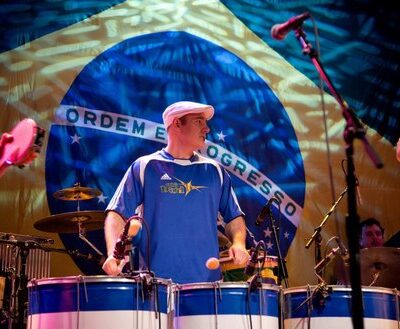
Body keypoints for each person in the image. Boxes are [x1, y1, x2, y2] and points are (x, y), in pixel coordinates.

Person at [102, 101, 249, 283]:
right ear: (177, 123)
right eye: (199, 122)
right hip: (155, 288)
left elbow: (234, 217)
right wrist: (112, 254)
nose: (207, 129)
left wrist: (239, 244)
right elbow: (117, 213)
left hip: (206, 287)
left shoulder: (214, 171)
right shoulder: (145, 166)